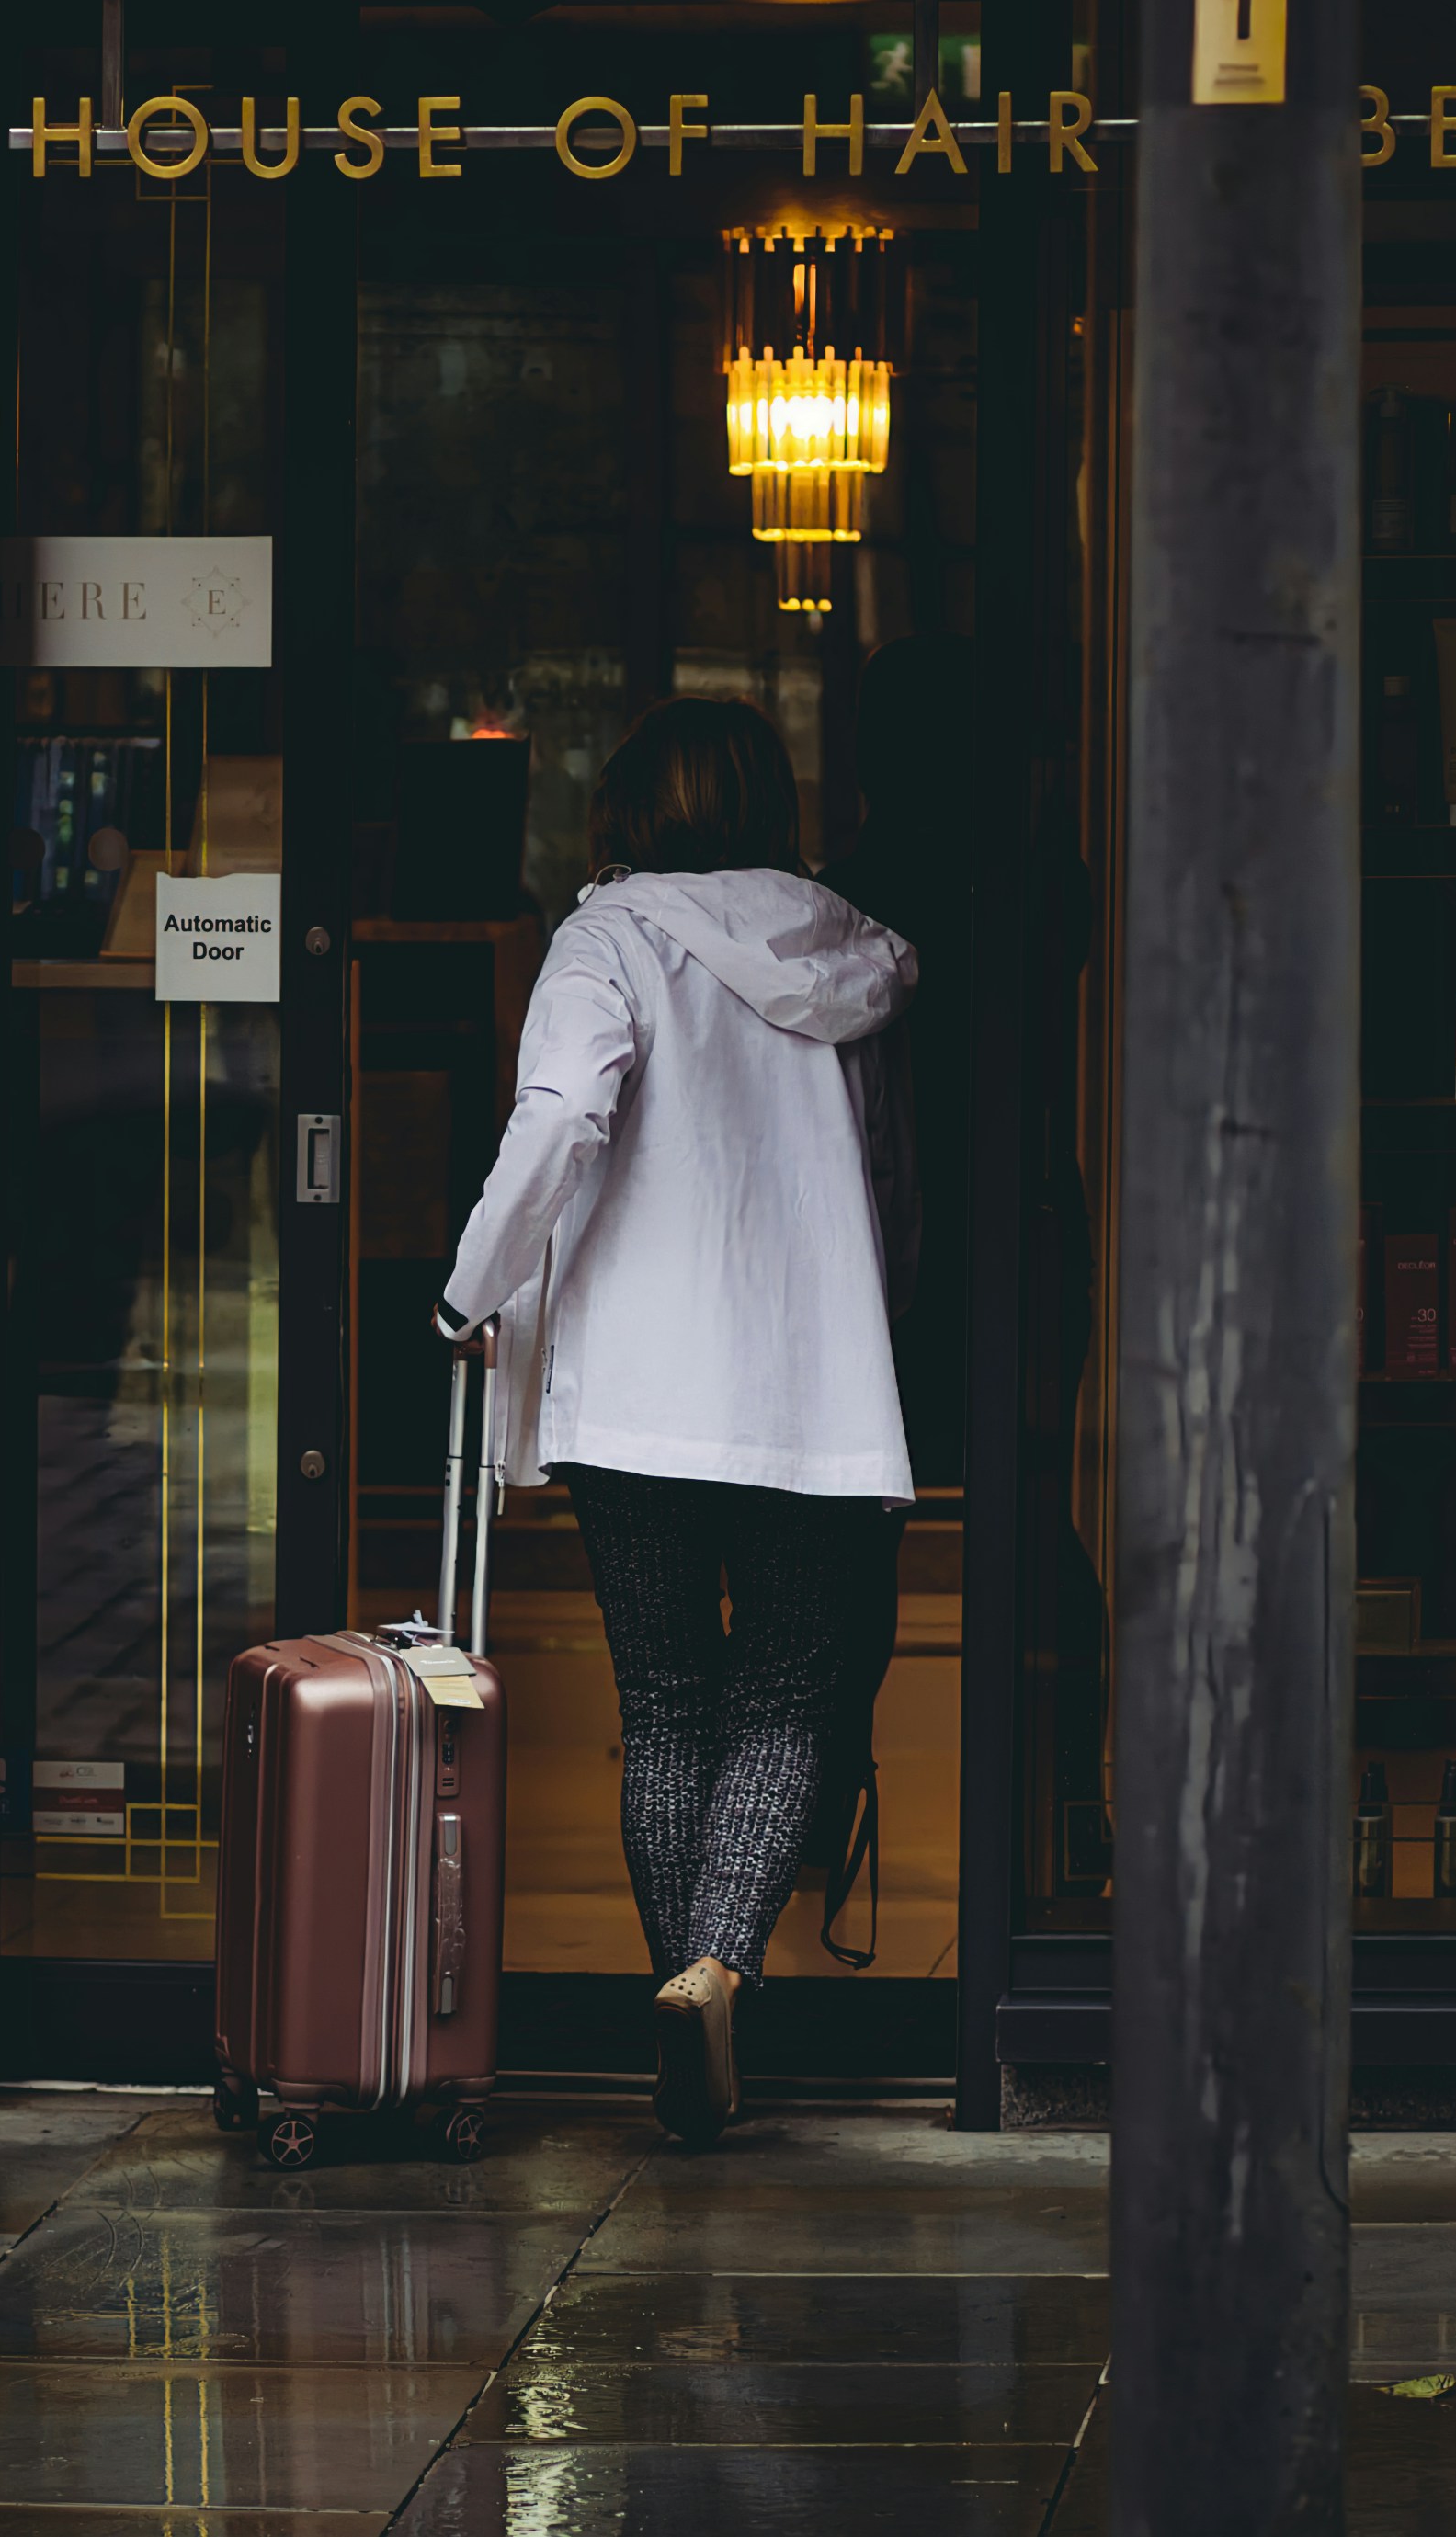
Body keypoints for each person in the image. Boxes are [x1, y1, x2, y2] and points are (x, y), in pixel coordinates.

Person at [436, 695, 918, 2145]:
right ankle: (716, 1972)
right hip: (808, 1380)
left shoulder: (609, 938)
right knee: (784, 1692)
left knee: (665, 1698)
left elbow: (560, 1117)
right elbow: (887, 1177)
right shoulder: (846, 952)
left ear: (630, 811)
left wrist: (468, 1290)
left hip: (639, 1390)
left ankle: (681, 1991)